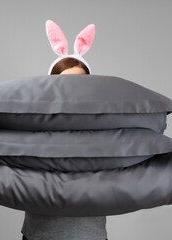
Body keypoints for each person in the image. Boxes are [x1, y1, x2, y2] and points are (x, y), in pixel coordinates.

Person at [21, 57, 108, 240]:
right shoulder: (33, 123)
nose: (72, 89)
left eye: (80, 82)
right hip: (38, 234)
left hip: (90, 235)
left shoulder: (105, 126)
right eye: (64, 82)